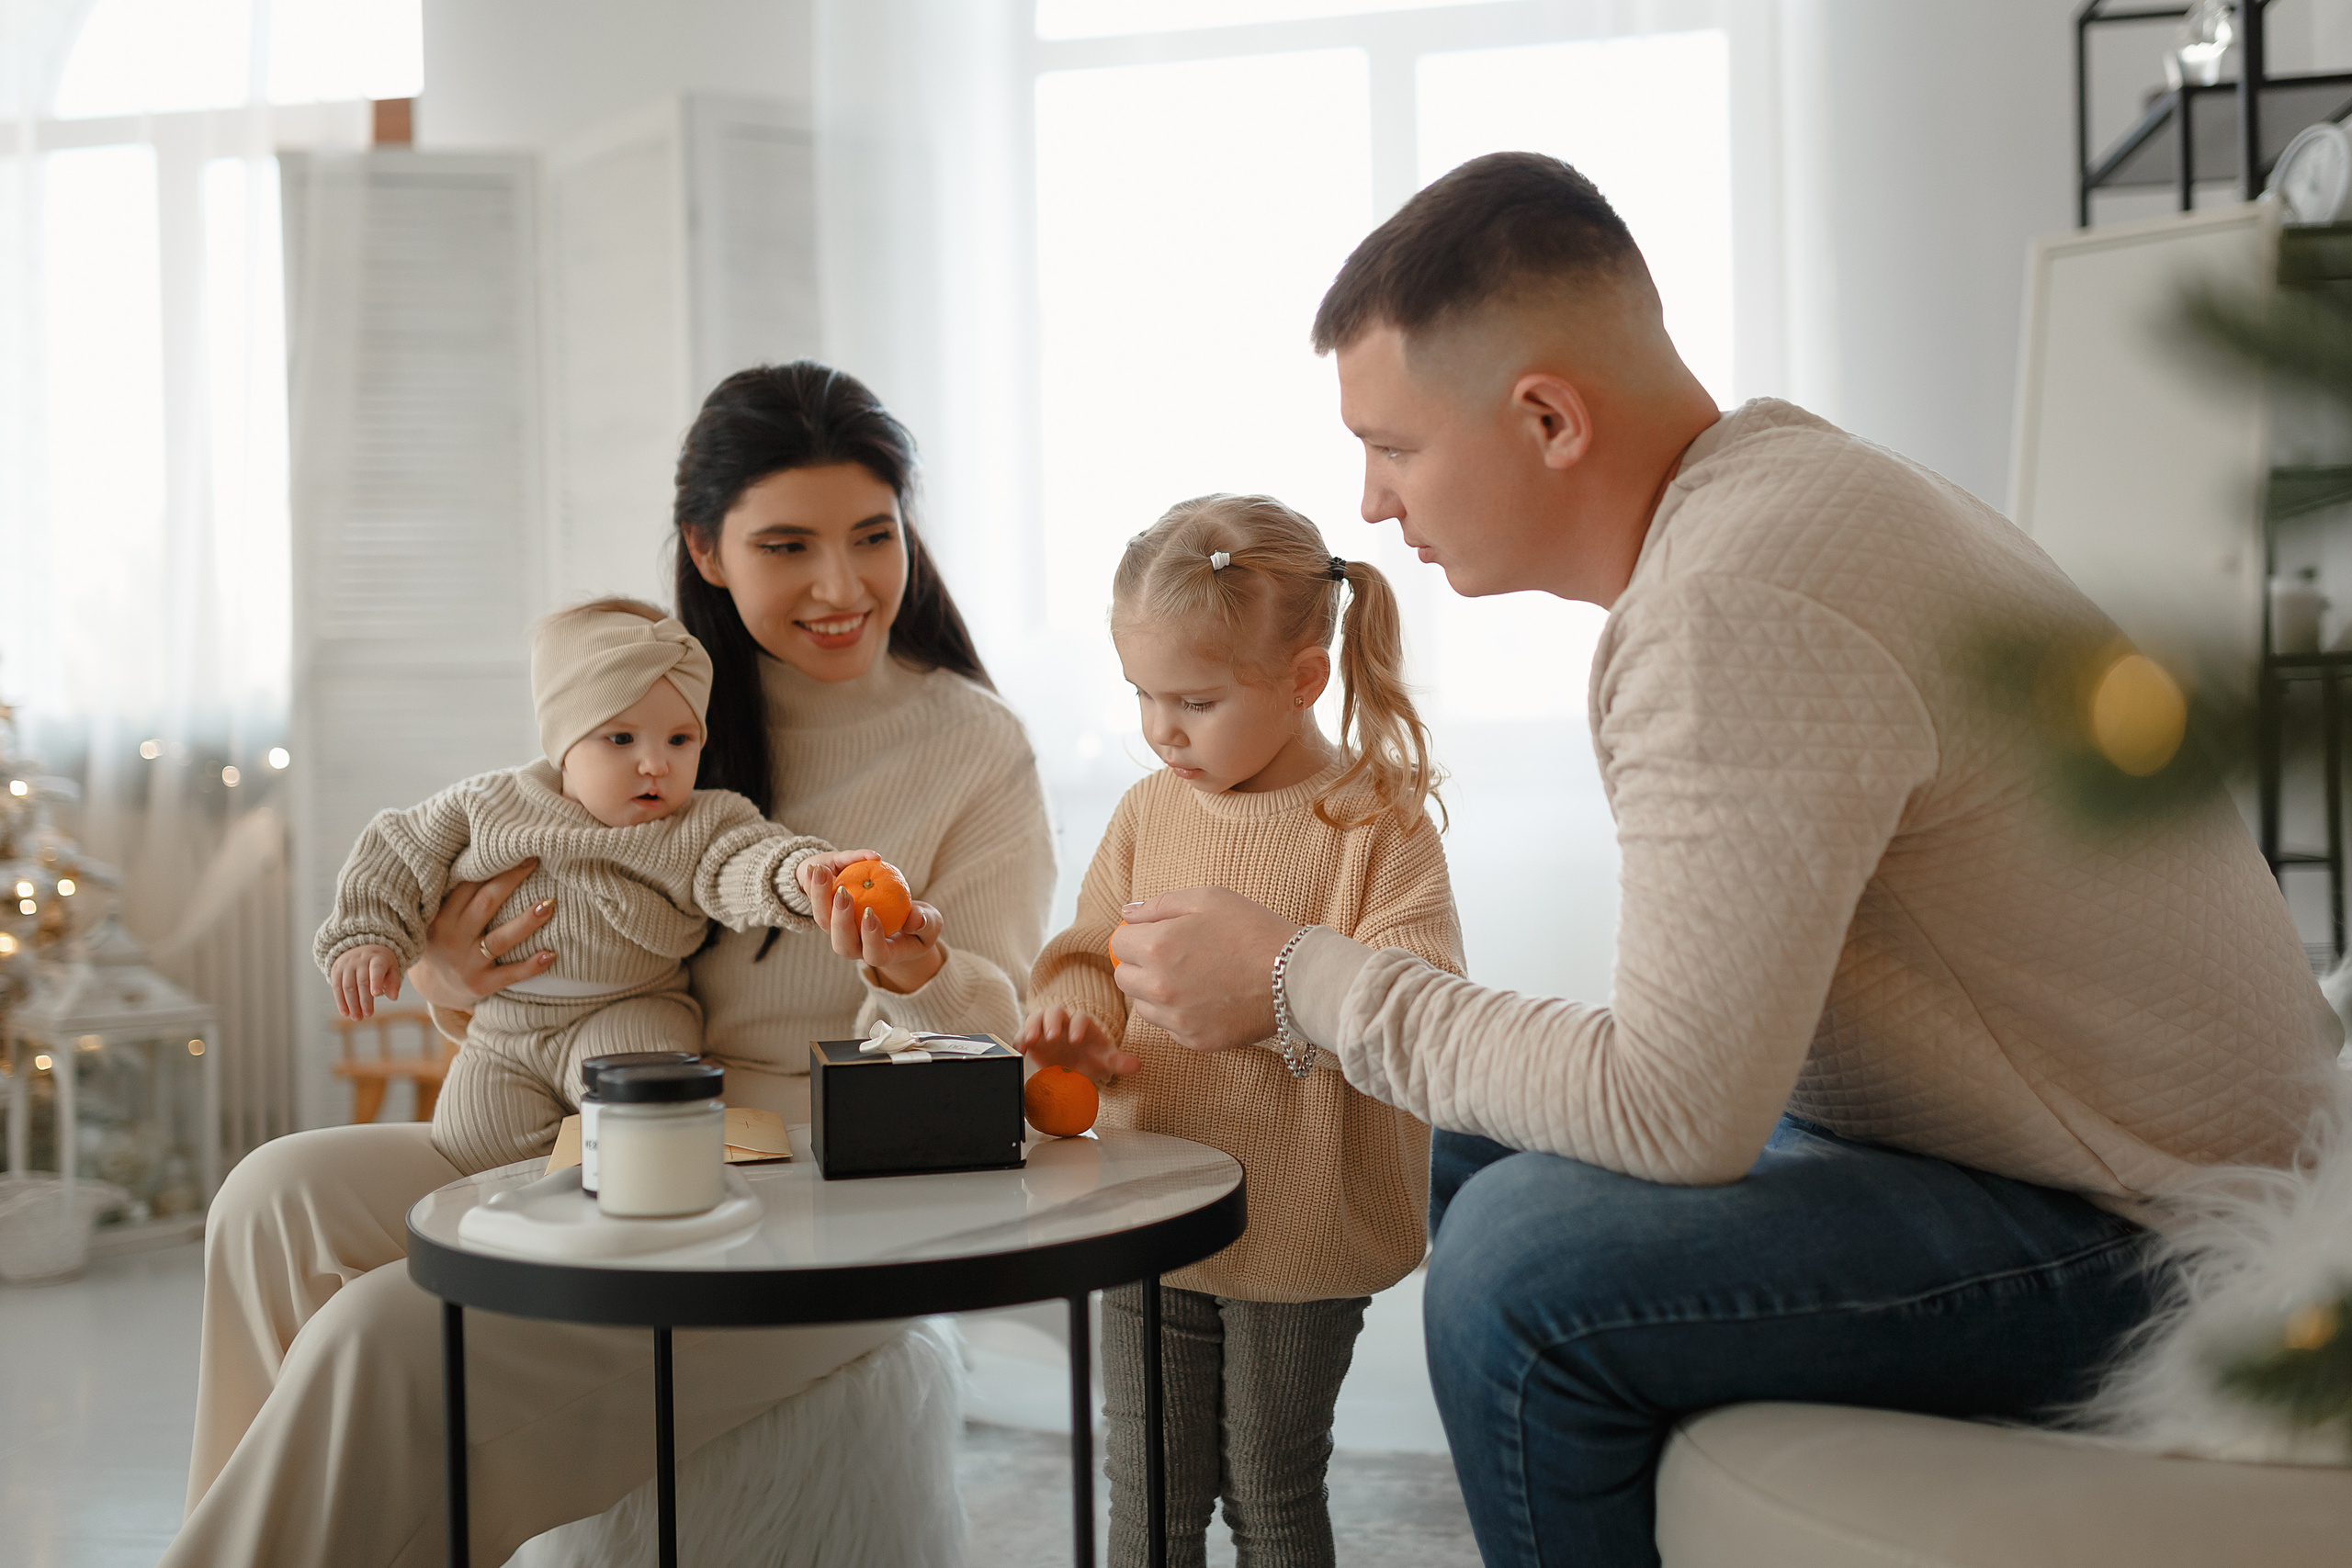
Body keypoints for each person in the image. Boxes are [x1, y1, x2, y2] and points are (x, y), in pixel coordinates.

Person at [1098, 153, 2339, 1568]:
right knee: (1479, 1135)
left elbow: (1681, 1111)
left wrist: (1291, 970)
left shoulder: (1730, 605)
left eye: (1393, 445)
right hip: (2055, 1149)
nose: (1369, 506)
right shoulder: (1785, 491)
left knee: (1518, 1272)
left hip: (2156, 1237)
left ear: (1549, 416)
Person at [165, 362, 1054, 1567]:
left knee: (386, 1331)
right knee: (271, 1200)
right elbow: (536, 916)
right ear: (706, 548)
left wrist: (911, 968)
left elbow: (993, 1029)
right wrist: (447, 971)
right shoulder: (652, 712)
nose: (842, 586)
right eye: (788, 544)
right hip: (605, 1127)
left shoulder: (973, 745)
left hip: (820, 1187)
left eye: (874, 535)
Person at [1022, 493, 1463, 1568]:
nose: (1159, 730)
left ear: (1304, 678)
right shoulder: (1146, 812)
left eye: (1196, 700)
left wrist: (1274, 1003)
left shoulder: (1376, 824)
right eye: (1142, 695)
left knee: (1270, 1488)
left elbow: (1418, 1003)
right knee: (1151, 1491)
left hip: (1302, 1219)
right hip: (1142, 1200)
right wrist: (1068, 1014)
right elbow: (1091, 947)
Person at [319, 597, 877, 1173]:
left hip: (629, 1008)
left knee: (644, 1098)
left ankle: (623, 1208)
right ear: (564, 744)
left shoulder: (695, 824)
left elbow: (742, 859)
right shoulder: (486, 806)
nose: (655, 764)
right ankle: (540, 1231)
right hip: (504, 1030)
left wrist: (801, 874)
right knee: (471, 1137)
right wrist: (369, 934)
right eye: (621, 740)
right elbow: (398, 849)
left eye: (680, 740)